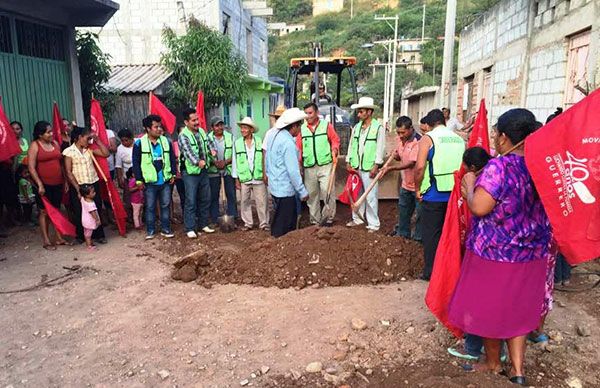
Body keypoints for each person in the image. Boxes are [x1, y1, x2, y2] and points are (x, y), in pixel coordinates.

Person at [448, 109, 552, 386]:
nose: (494, 138)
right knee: (519, 310)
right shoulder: (541, 164)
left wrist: (470, 186)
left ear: (504, 137)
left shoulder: (499, 166)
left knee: (490, 309)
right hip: (532, 252)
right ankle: (518, 370)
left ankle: (494, 363)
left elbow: (480, 207)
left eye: (496, 134)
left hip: (496, 253)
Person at [415, 109, 465, 280]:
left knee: (432, 235)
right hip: (455, 195)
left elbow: (420, 167)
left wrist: (417, 188)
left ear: (428, 125)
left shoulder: (428, 139)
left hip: (434, 195)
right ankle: (452, 271)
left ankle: (432, 272)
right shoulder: (459, 139)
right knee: (451, 234)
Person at [266, 108, 309, 237]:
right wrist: (302, 191)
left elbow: (268, 160)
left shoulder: (274, 135)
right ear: (294, 126)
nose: (300, 128)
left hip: (275, 186)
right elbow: (293, 171)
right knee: (285, 225)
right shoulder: (288, 142)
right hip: (285, 189)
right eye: (300, 125)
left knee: (278, 218)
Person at [132, 115, 177, 239]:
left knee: (165, 205)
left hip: (165, 180)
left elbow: (172, 159)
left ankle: (166, 229)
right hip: (149, 181)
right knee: (150, 206)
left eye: (159, 126)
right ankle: (151, 230)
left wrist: (173, 173)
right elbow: (136, 163)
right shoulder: (139, 143)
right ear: (147, 128)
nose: (159, 129)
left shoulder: (166, 141)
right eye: (155, 127)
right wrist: (139, 180)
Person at [28, 121, 71, 249]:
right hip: (43, 184)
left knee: (56, 210)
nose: (51, 134)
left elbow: (61, 164)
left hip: (58, 183)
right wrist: (40, 184)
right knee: (44, 212)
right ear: (40, 134)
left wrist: (66, 181)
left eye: (51, 131)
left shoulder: (55, 144)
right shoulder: (35, 146)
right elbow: (31, 167)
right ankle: (46, 240)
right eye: (48, 132)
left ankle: (58, 238)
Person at [346, 97, 386, 232]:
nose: (358, 114)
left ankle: (374, 224)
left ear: (369, 112)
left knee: (371, 196)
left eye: (361, 111)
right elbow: (351, 145)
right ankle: (357, 219)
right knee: (357, 194)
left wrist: (376, 165)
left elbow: (381, 147)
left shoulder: (378, 128)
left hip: (369, 167)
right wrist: (348, 161)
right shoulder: (356, 127)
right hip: (357, 166)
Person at [63, 126, 109, 244]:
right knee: (79, 211)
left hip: (93, 183)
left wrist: (98, 141)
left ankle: (98, 235)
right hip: (79, 185)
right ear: (79, 138)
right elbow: (68, 171)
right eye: (87, 138)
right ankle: (81, 235)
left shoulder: (90, 149)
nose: (89, 140)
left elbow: (106, 153)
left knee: (96, 207)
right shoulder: (69, 151)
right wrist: (77, 189)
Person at [297, 102, 340, 226]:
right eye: (306, 113)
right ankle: (315, 221)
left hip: (325, 164)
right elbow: (298, 148)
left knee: (328, 191)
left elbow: (335, 140)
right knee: (312, 194)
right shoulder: (302, 129)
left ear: (317, 113)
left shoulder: (326, 126)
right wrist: (299, 164)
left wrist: (335, 149)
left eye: (310, 113)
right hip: (309, 167)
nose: (308, 116)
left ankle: (328, 218)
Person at [381, 116, 422, 240]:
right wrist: (396, 156)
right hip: (406, 184)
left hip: (418, 186)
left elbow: (412, 163)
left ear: (410, 129)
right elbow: (401, 157)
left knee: (420, 214)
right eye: (398, 132)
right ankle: (402, 236)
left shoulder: (418, 141)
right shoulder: (400, 140)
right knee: (404, 212)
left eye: (403, 132)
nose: (400, 135)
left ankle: (418, 239)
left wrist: (392, 168)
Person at [178, 108, 214, 238]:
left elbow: (209, 144)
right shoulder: (183, 136)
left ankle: (203, 224)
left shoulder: (202, 132)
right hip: (190, 173)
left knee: (205, 198)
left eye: (197, 119)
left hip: (203, 170)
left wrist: (213, 151)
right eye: (193, 120)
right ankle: (190, 228)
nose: (196, 122)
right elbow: (188, 153)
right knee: (191, 200)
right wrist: (198, 162)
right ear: (186, 122)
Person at [231, 117, 269, 231]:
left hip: (258, 176)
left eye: (245, 128)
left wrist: (265, 173)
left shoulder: (259, 141)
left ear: (251, 130)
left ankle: (264, 223)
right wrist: (236, 178)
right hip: (244, 177)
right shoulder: (237, 143)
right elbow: (235, 161)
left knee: (262, 201)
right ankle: (248, 223)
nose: (242, 130)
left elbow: (264, 158)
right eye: (241, 128)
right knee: (244, 202)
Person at [207, 116, 237, 226]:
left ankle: (232, 217)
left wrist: (225, 162)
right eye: (217, 125)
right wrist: (214, 162)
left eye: (221, 125)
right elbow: (205, 155)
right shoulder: (207, 138)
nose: (220, 127)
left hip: (228, 170)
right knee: (213, 196)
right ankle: (215, 219)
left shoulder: (230, 137)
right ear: (212, 128)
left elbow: (235, 154)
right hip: (213, 171)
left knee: (231, 194)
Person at [79, 184, 101, 250]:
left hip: (84, 220)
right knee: (88, 234)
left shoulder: (83, 199)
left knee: (86, 232)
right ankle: (89, 246)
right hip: (89, 221)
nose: (94, 193)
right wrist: (97, 220)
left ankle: (89, 243)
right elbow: (93, 213)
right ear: (87, 195)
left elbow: (80, 196)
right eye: (92, 192)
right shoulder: (90, 204)